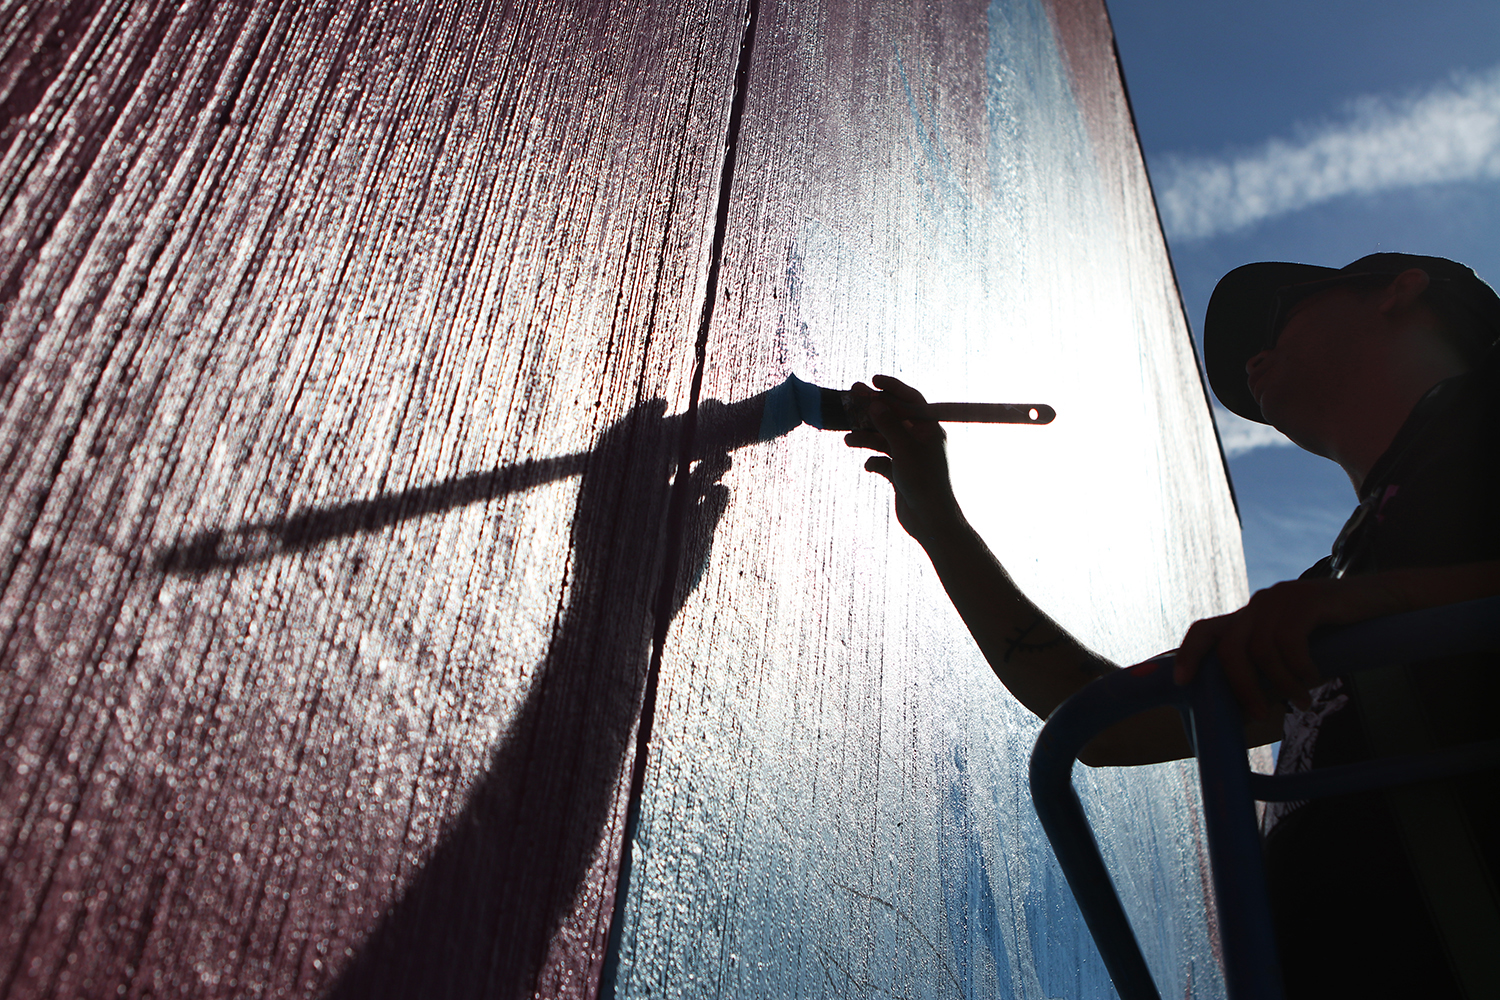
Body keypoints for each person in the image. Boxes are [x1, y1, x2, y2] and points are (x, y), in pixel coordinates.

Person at [844, 252, 1500, 997]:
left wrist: (1370, 607)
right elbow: (1101, 722)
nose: (1254, 357)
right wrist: (937, 517)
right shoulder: (1340, 581)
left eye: (1280, 311)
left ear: (1401, 288)